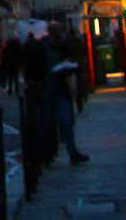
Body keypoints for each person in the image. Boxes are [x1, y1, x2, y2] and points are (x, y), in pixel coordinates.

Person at [44, 21, 88, 164]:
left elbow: (70, 60)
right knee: (50, 124)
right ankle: (49, 154)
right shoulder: (43, 48)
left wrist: (68, 68)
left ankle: (72, 153)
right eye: (57, 31)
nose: (59, 34)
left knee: (66, 122)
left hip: (60, 89)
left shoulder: (62, 47)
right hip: (48, 90)